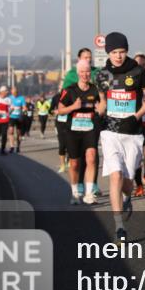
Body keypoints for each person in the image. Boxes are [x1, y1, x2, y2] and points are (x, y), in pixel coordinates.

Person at [94, 32, 145, 243]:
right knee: (115, 175)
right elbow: (102, 101)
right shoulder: (103, 74)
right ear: (108, 53)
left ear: (126, 51)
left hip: (133, 133)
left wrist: (136, 115)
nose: (118, 56)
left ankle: (127, 197)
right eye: (114, 52)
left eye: (122, 52)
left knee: (127, 182)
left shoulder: (137, 71)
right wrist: (97, 115)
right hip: (110, 132)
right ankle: (119, 226)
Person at [58, 60, 102, 205]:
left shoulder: (95, 89)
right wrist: (73, 107)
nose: (85, 74)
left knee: (91, 157)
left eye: (87, 71)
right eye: (82, 72)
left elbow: (103, 105)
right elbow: (60, 110)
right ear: (78, 73)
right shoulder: (70, 90)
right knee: (75, 163)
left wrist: (99, 109)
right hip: (73, 131)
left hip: (90, 129)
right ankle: (75, 192)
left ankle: (89, 194)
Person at [51, 89, 69, 173]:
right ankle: (62, 165)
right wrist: (54, 111)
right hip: (60, 123)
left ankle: (69, 160)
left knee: (71, 144)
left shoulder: (73, 95)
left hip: (71, 122)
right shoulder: (56, 97)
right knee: (62, 144)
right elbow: (50, 110)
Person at [7, 86, 25, 153]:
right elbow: (6, 107)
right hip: (11, 117)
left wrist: (23, 109)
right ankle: (12, 146)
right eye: (14, 92)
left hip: (19, 117)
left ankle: (18, 146)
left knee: (18, 133)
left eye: (16, 92)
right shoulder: (9, 98)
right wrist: (10, 109)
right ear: (11, 91)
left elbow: (24, 107)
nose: (15, 93)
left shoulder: (21, 98)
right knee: (11, 131)